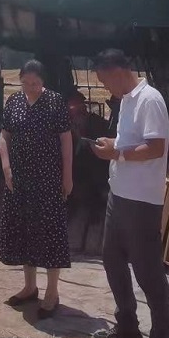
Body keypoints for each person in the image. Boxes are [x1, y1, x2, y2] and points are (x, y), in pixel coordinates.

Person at [90, 48, 169, 338]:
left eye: (104, 80)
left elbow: (155, 148)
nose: (104, 87)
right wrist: (113, 145)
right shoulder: (125, 100)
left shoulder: (149, 99)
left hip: (141, 202)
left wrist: (117, 153)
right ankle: (127, 328)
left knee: (151, 280)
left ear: (117, 71)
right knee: (111, 259)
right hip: (120, 195)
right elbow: (129, 143)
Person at [0, 59, 73, 317]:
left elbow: (66, 140)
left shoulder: (55, 102)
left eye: (35, 83)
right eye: (26, 83)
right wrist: (6, 167)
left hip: (48, 178)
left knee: (50, 232)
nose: (30, 87)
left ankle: (52, 292)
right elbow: (5, 134)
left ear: (43, 82)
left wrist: (67, 175)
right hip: (19, 179)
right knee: (24, 230)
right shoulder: (14, 101)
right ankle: (29, 287)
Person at [66, 90, 111, 248]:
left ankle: (95, 208)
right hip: (74, 167)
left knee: (95, 175)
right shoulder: (64, 127)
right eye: (72, 111)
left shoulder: (96, 123)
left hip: (95, 165)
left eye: (80, 109)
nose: (77, 114)